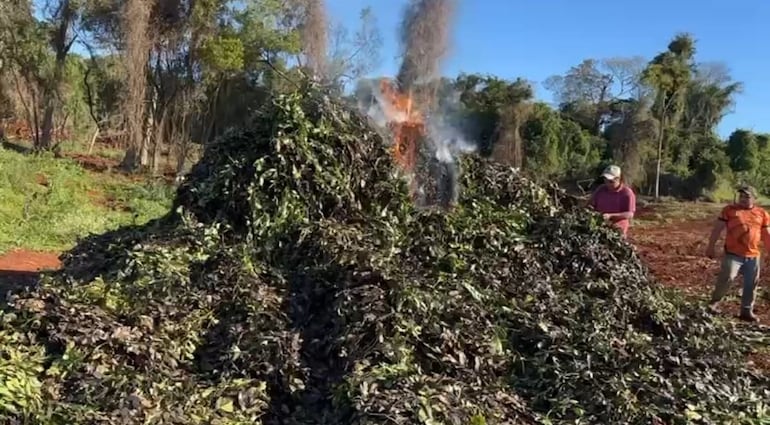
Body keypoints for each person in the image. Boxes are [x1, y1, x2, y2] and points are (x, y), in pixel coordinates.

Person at [705, 185, 770, 322]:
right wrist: (711, 246)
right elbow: (717, 229)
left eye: (747, 196)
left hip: (753, 255)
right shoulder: (729, 211)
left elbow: (766, 235)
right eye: (741, 196)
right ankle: (714, 303)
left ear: (754, 198)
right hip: (733, 254)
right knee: (727, 277)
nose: (743, 199)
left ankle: (746, 310)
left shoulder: (761, 213)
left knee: (751, 283)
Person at [589, 165, 636, 237]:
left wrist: (611, 215)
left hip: (617, 227)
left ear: (618, 179)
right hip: (599, 224)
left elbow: (629, 214)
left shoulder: (627, 193)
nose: (607, 183)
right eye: (605, 180)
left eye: (611, 181)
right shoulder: (601, 189)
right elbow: (591, 204)